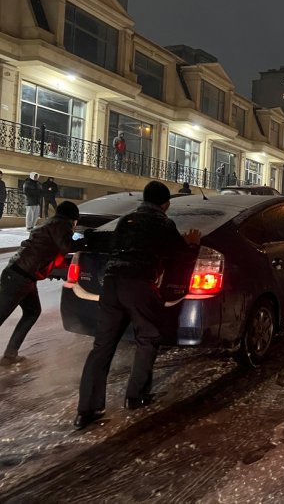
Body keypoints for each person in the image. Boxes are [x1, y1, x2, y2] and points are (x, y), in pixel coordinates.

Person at [74, 181, 201, 429]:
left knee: (102, 346)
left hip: (111, 284)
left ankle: (86, 410)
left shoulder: (126, 220)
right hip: (139, 283)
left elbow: (110, 247)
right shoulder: (163, 223)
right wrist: (193, 244)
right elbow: (180, 256)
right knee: (148, 336)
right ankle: (136, 396)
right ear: (165, 204)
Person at [0, 202, 82, 390]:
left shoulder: (50, 225)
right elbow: (67, 246)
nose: (74, 226)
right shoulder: (62, 225)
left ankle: (10, 356)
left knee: (33, 312)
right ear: (72, 219)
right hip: (18, 278)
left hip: (22, 276)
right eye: (75, 222)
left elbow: (49, 253)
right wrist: (87, 240)